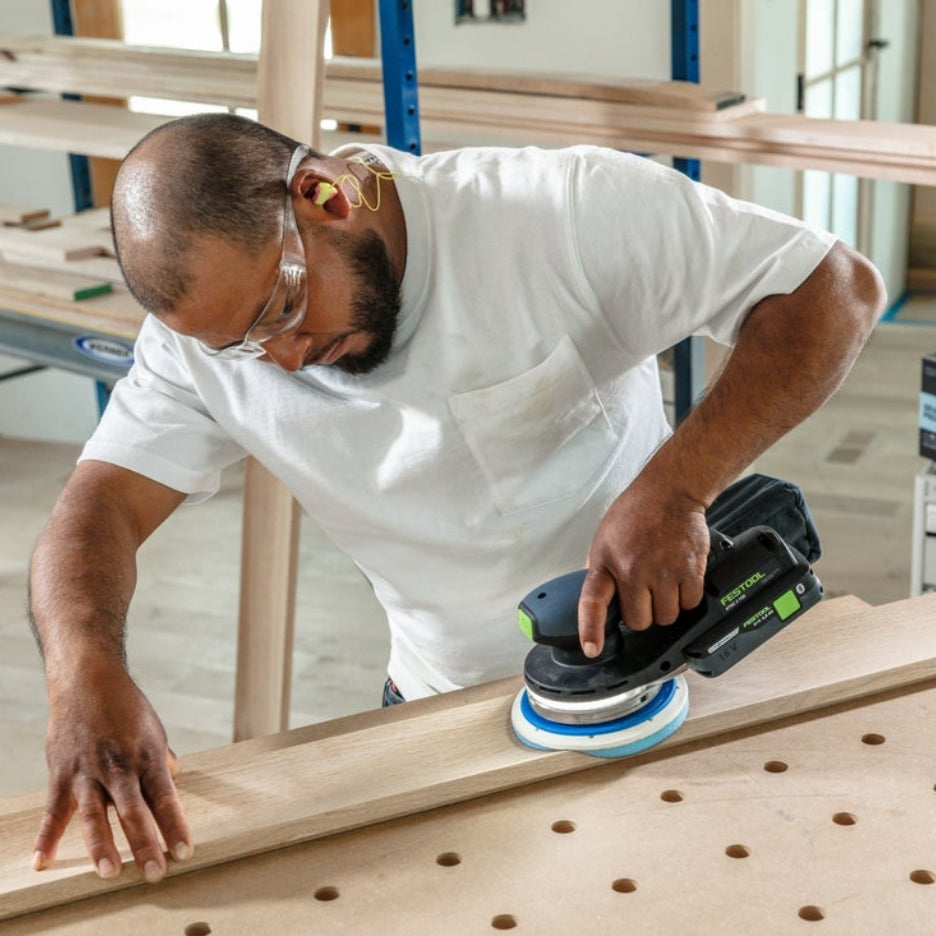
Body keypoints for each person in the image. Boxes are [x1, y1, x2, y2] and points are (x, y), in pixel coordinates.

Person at [27, 112, 884, 884]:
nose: (281, 360)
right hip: (440, 702)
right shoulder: (205, 342)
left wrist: (676, 489)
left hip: (667, 675)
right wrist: (82, 669)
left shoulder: (555, 213)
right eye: (240, 348)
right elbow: (97, 506)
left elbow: (834, 290)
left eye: (283, 308)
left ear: (326, 195)